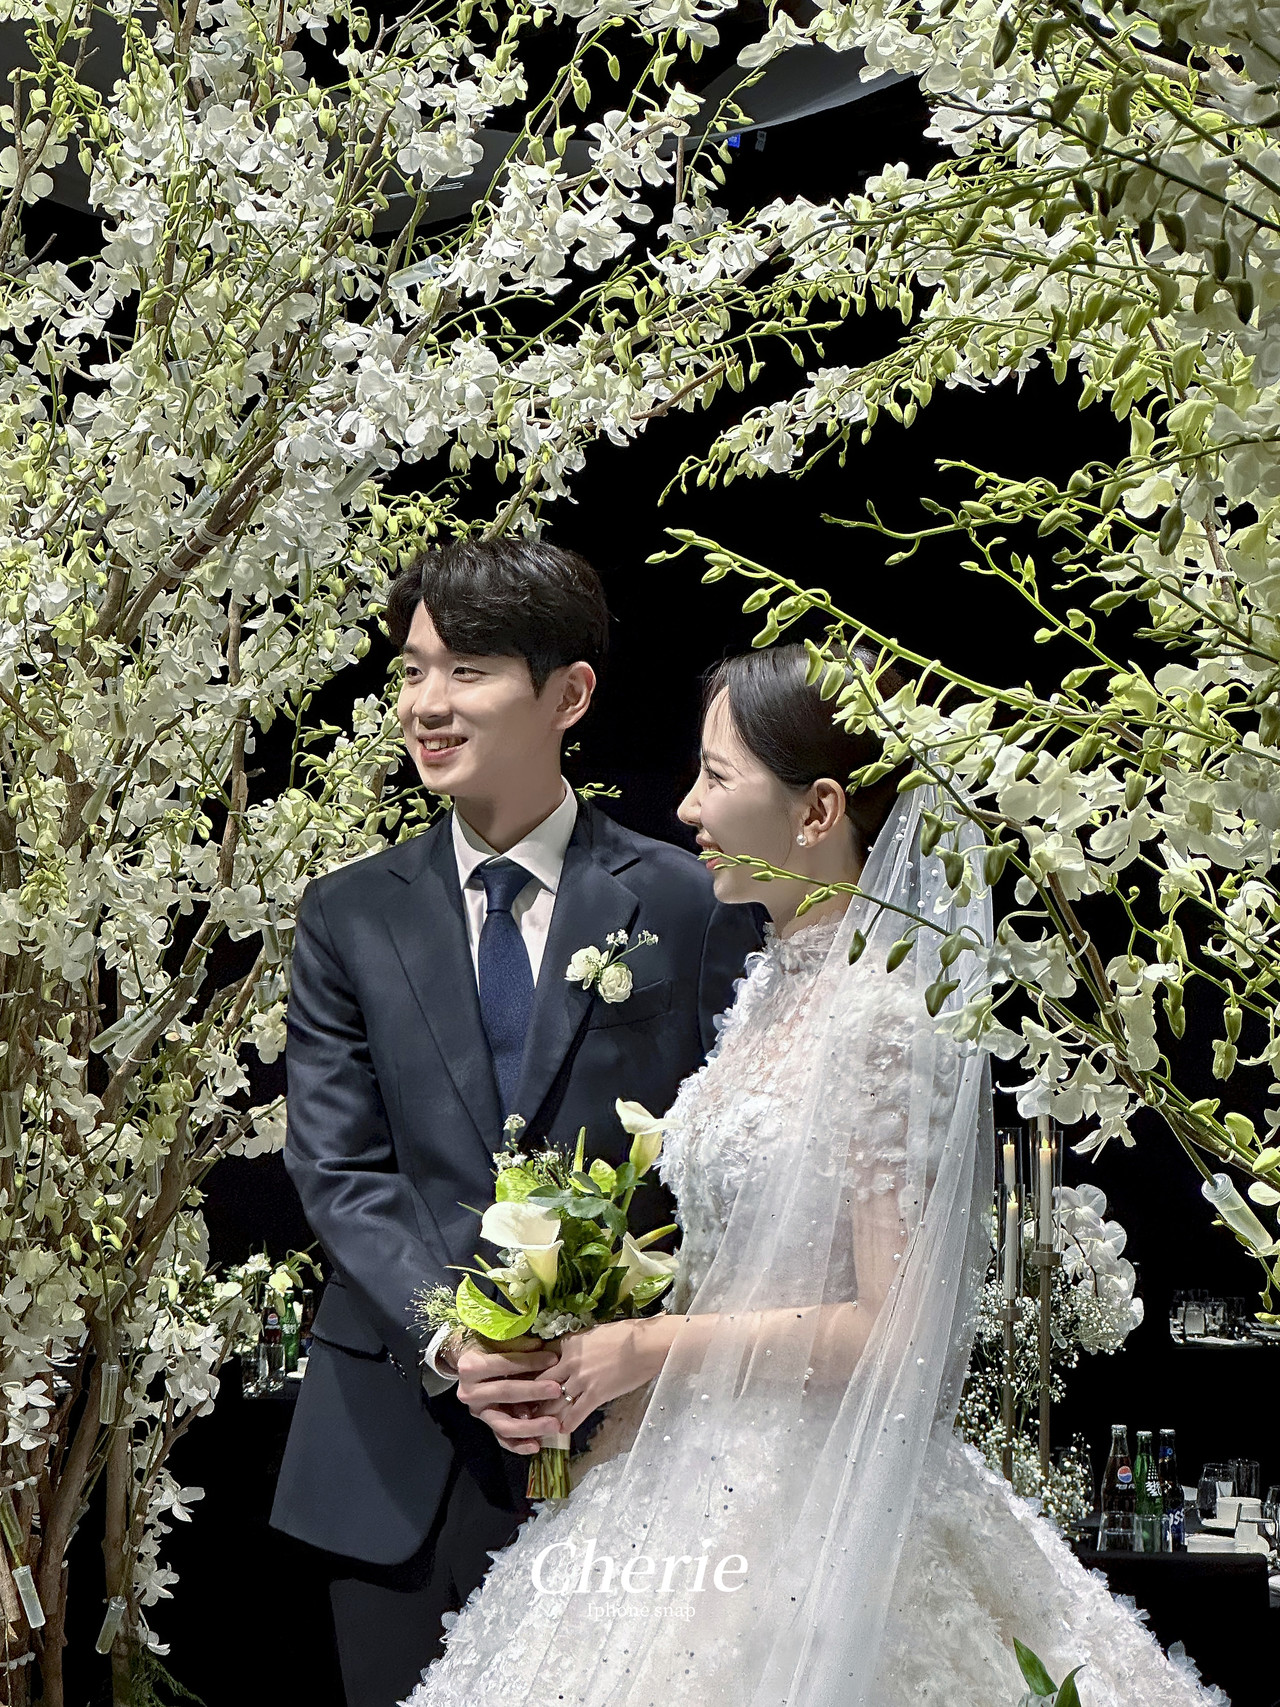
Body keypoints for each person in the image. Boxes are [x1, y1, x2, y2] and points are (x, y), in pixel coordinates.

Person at [402, 643, 1226, 1707]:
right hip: (680, 1462)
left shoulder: (881, 1014)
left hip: (812, 1492)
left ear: (817, 810)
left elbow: (887, 1328)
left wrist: (646, 1348)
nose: (687, 807)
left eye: (716, 776)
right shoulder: (767, 987)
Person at [270, 539, 762, 1707]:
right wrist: (459, 1341)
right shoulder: (346, 915)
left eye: (469, 670)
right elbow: (339, 1168)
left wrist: (637, 1348)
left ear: (567, 695)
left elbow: (727, 1162)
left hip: (625, 1440)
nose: (426, 704)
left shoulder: (688, 901)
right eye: (411, 671)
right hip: (395, 1444)